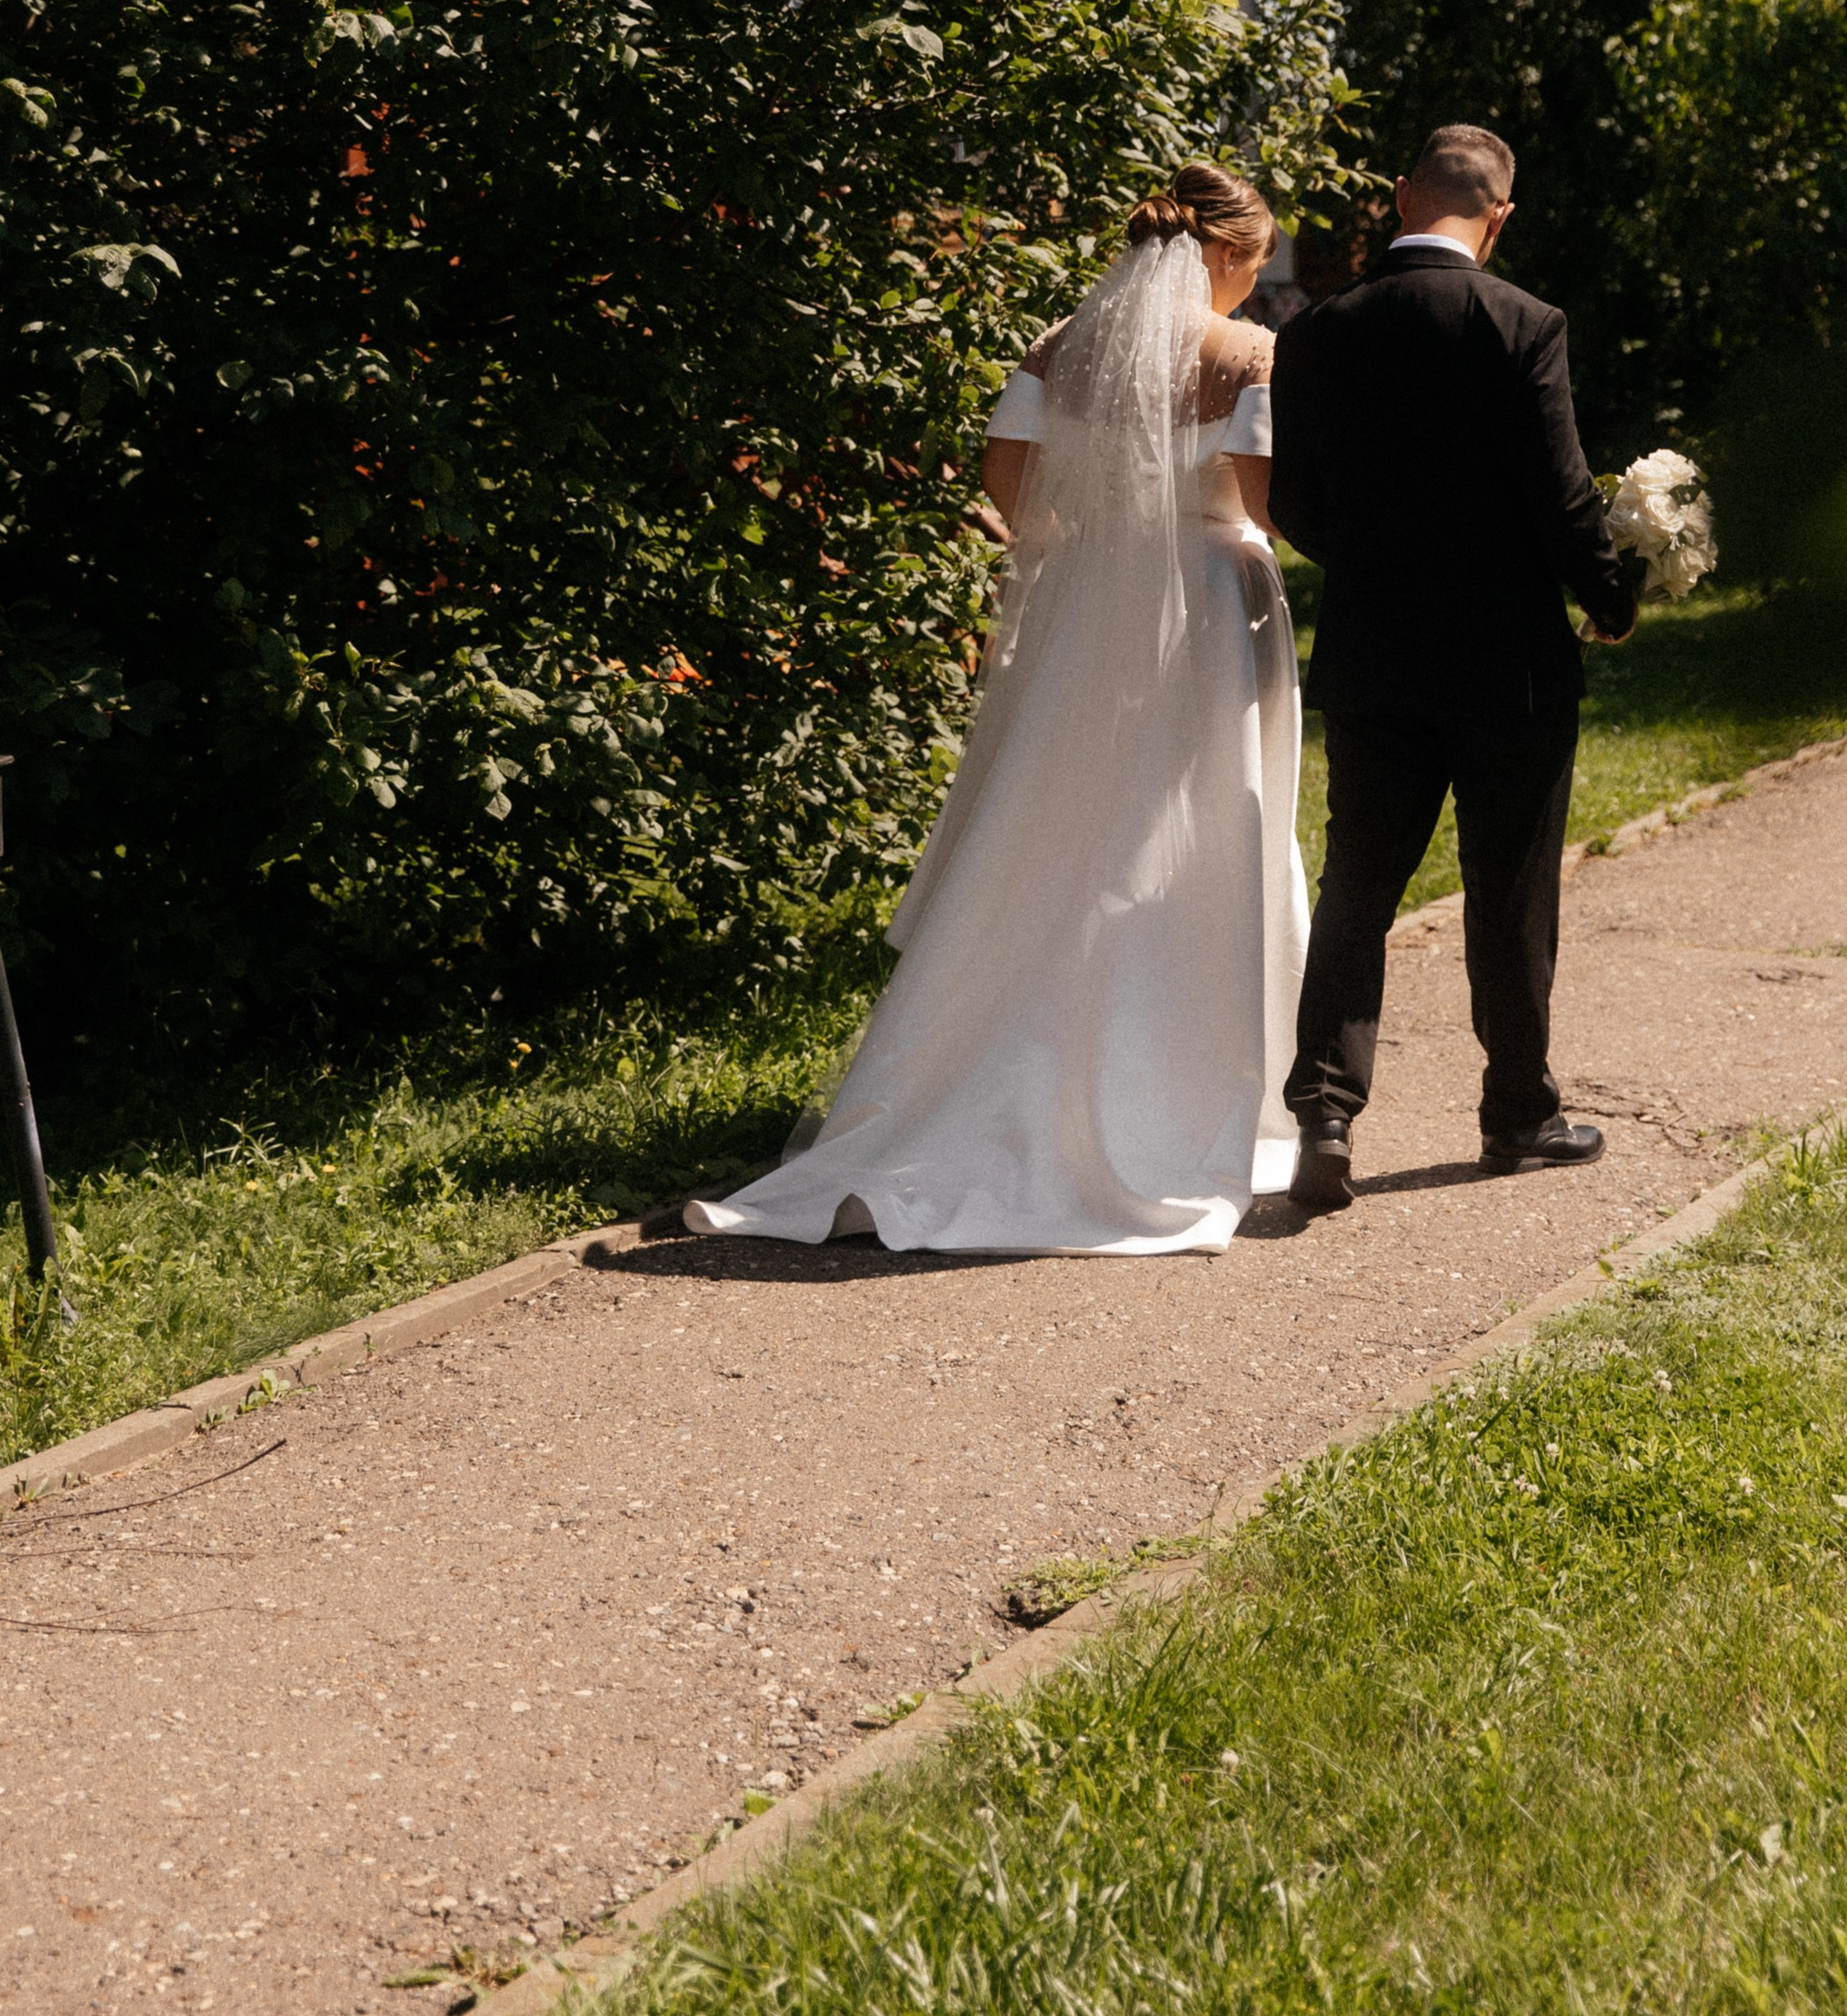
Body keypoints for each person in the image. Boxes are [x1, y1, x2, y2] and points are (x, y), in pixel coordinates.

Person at [686, 164, 1309, 1256]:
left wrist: (1093, 551)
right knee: (1194, 835)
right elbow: (1263, 497)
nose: (1251, 291)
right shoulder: (1247, 354)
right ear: (1228, 254)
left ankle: (988, 1063)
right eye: (1252, 268)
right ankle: (1189, 1084)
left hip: (1082, 613)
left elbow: (1011, 489)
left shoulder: (1054, 348)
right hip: (1208, 610)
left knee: (1056, 833)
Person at [1267, 124, 1636, 1210]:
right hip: (1509, 660)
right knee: (1509, 891)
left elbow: (1294, 503)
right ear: (1501, 214)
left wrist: (1380, 565)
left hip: (1376, 657)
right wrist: (1608, 598)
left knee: (1359, 885)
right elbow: (1561, 494)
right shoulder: (1523, 324)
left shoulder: (1319, 330)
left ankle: (1325, 1112)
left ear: (1396, 198)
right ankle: (1517, 1114)